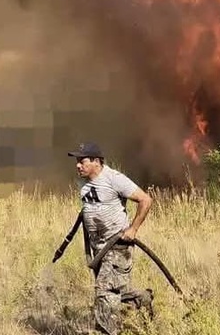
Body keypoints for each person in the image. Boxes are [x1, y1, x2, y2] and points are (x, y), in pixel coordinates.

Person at [68, 142, 154, 335]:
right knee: (117, 293)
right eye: (76, 161)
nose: (77, 165)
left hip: (117, 247)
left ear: (96, 162)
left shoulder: (114, 179)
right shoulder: (83, 182)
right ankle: (143, 299)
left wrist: (133, 229)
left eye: (82, 161)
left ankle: (106, 331)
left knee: (104, 291)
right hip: (98, 248)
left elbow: (145, 200)